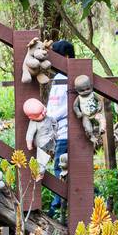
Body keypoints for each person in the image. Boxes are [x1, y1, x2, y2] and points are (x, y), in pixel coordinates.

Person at [46, 39, 74, 177]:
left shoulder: (71, 78)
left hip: (66, 132)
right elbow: (53, 104)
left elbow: (68, 106)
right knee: (64, 168)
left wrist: (51, 118)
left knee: (59, 168)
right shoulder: (58, 77)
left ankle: (59, 199)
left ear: (66, 57)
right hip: (58, 132)